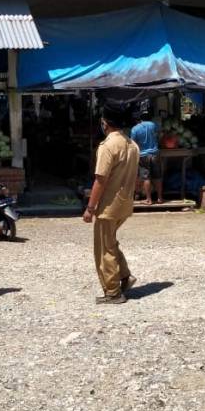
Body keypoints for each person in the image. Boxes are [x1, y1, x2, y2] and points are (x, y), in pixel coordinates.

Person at [84, 104, 140, 304]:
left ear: (105, 123)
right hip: (125, 203)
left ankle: (113, 292)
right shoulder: (132, 145)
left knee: (104, 249)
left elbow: (100, 180)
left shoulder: (108, 146)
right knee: (111, 242)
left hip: (108, 205)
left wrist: (90, 208)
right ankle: (124, 276)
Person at [131, 110, 163, 205]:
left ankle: (149, 199)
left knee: (146, 177)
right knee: (157, 177)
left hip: (143, 155)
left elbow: (133, 144)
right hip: (155, 154)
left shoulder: (135, 129)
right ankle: (160, 198)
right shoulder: (153, 125)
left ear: (139, 118)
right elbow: (160, 134)